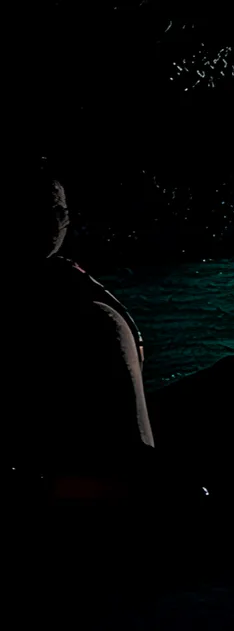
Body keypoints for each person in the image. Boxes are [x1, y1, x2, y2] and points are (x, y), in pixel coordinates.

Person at [10, 167, 155, 502]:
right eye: (53, 212)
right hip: (85, 486)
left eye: (62, 212)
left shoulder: (61, 284)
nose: (61, 220)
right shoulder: (93, 317)